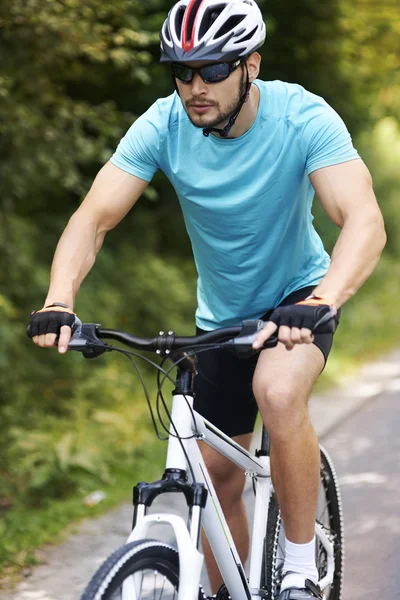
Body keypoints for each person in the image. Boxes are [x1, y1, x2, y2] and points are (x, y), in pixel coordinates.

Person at [28, 0, 386, 597]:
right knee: (215, 474)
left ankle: (298, 566)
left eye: (213, 70)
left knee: (276, 390)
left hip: (300, 297)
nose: (195, 87)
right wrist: (59, 299)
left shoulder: (302, 117)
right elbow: (93, 218)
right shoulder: (162, 124)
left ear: (251, 67)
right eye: (183, 71)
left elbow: (364, 220)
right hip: (221, 316)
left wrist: (322, 300)